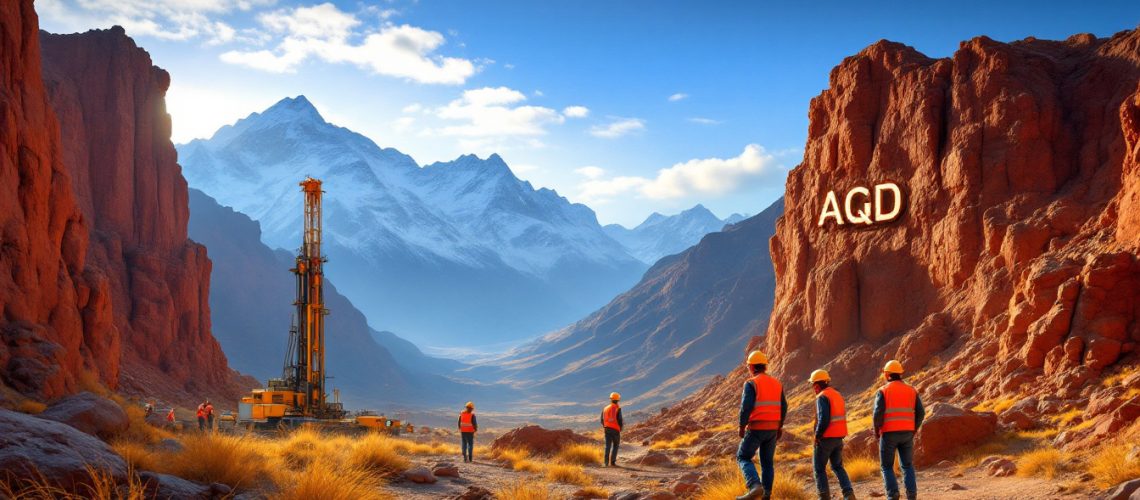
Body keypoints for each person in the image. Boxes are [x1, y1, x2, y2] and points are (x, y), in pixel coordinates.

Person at [736, 350, 787, 500]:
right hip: (772, 429)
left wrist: (741, 426)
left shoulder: (751, 383)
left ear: (752, 367)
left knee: (743, 457)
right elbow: (784, 406)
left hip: (757, 427)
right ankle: (766, 496)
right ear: (765, 366)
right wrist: (779, 426)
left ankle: (754, 485)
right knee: (767, 463)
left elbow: (746, 406)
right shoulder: (777, 383)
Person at [873, 360, 925, 500]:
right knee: (907, 465)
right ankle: (911, 495)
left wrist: (877, 432)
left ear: (888, 374)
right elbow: (921, 413)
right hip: (907, 433)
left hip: (889, 433)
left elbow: (878, 414)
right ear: (900, 374)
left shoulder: (883, 391)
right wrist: (913, 429)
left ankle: (893, 495)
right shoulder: (911, 390)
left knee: (887, 466)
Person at [810, 369, 856, 500]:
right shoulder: (837, 395)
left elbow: (824, 418)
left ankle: (824, 497)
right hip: (838, 438)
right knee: (837, 466)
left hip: (825, 439)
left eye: (813, 385)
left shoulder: (822, 397)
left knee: (819, 469)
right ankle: (848, 494)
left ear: (817, 385)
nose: (813, 388)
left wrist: (817, 436)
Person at [601, 392, 623, 467]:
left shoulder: (605, 408)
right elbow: (620, 420)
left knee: (607, 446)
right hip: (615, 429)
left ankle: (605, 463)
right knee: (616, 445)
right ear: (618, 400)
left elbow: (602, 419)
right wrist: (620, 428)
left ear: (611, 399)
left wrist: (606, 426)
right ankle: (613, 462)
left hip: (607, 429)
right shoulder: (617, 408)